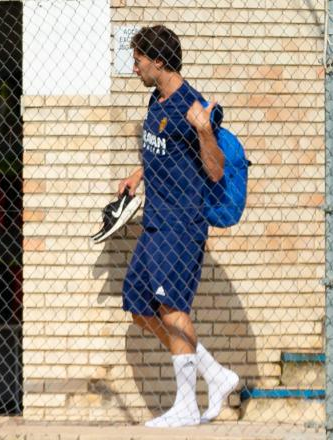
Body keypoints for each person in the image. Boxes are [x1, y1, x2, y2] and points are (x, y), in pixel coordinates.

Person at [118, 25, 239, 428]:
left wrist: (204, 130)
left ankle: (187, 404)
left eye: (138, 61)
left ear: (159, 62)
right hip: (155, 221)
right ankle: (215, 374)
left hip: (181, 224)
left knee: (172, 308)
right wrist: (138, 174)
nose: (133, 67)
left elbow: (216, 169)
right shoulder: (157, 100)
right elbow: (167, 154)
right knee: (138, 305)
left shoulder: (195, 107)